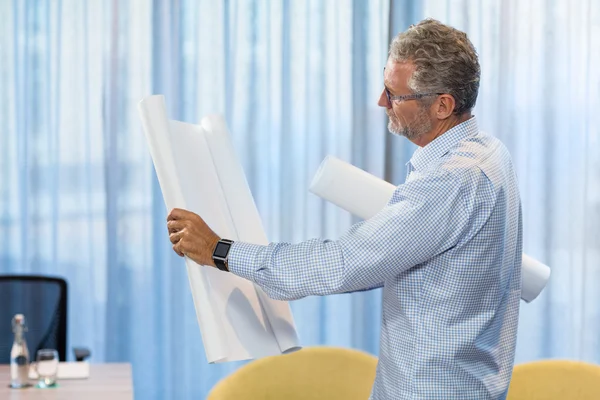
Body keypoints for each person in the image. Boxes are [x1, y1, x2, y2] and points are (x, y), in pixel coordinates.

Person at [166, 19, 522, 400]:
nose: (381, 102)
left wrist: (221, 251)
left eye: (394, 94)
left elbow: (342, 263)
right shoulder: (489, 153)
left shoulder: (452, 180)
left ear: (443, 105)